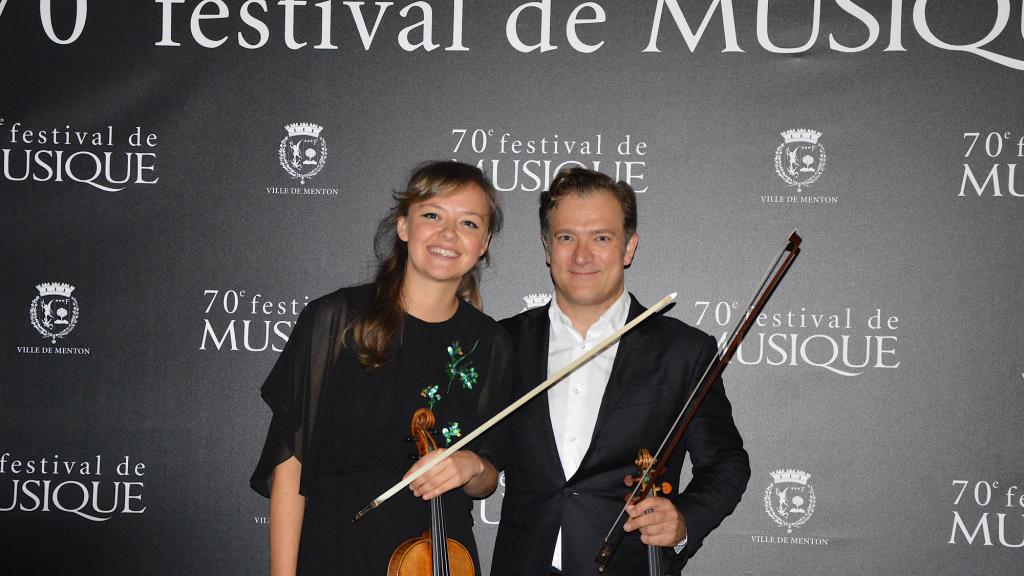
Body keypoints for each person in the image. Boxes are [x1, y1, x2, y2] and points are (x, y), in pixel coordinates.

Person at [250, 161, 513, 575]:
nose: (448, 234)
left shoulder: (491, 343)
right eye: (432, 215)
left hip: (439, 561)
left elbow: (488, 476)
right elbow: (291, 468)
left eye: (468, 223)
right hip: (339, 552)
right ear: (404, 227)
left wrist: (471, 466)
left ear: (483, 244)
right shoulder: (336, 319)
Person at [488, 168, 750, 575]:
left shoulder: (683, 350)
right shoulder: (503, 343)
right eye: (566, 237)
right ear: (546, 247)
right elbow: (483, 457)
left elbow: (727, 462)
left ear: (629, 248)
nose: (581, 255)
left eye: (602, 238)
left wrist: (682, 520)